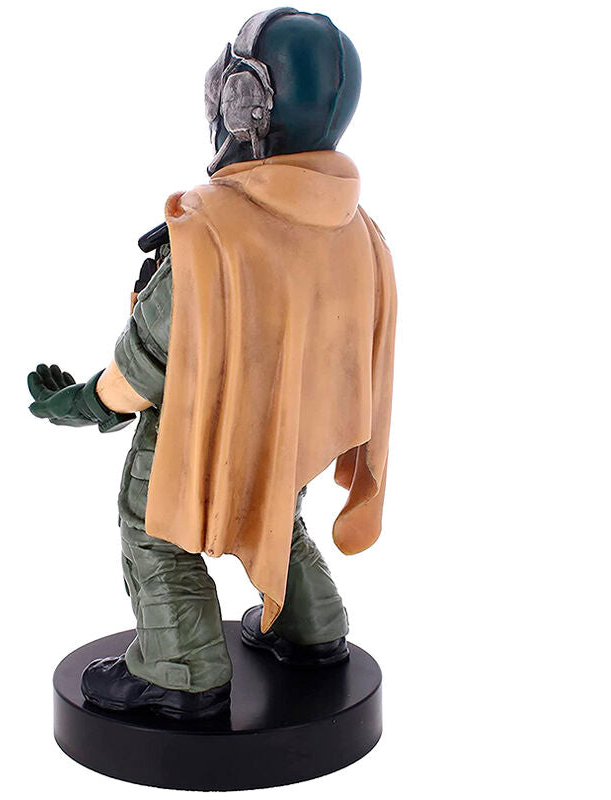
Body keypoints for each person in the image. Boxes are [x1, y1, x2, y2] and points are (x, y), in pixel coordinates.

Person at [28, 7, 396, 720]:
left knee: (156, 530)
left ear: (244, 102)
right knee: (278, 514)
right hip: (295, 437)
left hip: (196, 436)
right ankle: (314, 628)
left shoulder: (210, 233)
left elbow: (142, 372)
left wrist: (80, 402)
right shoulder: (363, 233)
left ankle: (181, 672)